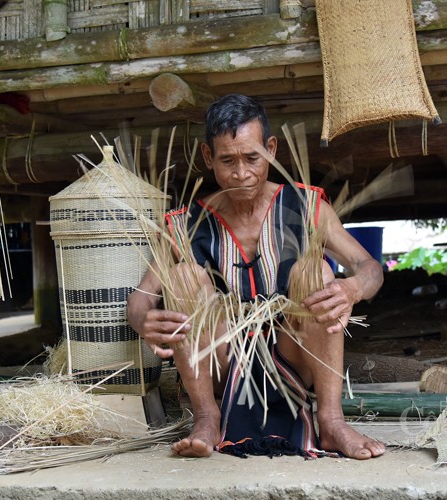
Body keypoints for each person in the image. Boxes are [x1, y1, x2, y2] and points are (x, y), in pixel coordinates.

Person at [126, 94, 385, 460]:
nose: (242, 173)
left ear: (272, 149)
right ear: (207, 157)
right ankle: (206, 416)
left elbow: (370, 268)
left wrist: (352, 288)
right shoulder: (184, 224)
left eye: (252, 158)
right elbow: (139, 299)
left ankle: (330, 419)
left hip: (294, 355)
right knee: (182, 276)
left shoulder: (306, 206)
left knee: (314, 271)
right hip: (223, 361)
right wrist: (145, 321)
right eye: (227, 161)